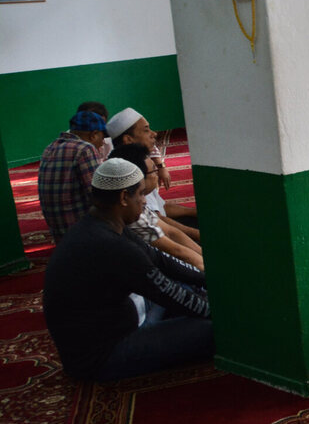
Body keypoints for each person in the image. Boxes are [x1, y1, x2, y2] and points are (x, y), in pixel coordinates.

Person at [42, 158, 214, 382]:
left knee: (188, 288)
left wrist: (210, 280)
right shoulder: (111, 245)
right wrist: (222, 311)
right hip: (104, 357)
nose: (144, 202)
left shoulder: (102, 226)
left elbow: (162, 263)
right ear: (124, 197)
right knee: (218, 328)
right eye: (141, 194)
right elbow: (169, 293)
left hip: (120, 323)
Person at [107, 143, 204, 271]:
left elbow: (170, 231)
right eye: (154, 170)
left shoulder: (135, 199)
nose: (157, 173)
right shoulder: (132, 215)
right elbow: (176, 251)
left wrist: (203, 254)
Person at [107, 107, 198, 230]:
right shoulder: (133, 173)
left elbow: (162, 207)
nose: (154, 134)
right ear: (128, 139)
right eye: (146, 130)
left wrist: (193, 211)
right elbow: (160, 223)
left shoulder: (142, 162)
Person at [37, 110, 107, 242]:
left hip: (58, 232)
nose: (103, 143)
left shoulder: (50, 147)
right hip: (81, 232)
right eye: (102, 137)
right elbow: (97, 194)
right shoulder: (85, 149)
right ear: (94, 135)